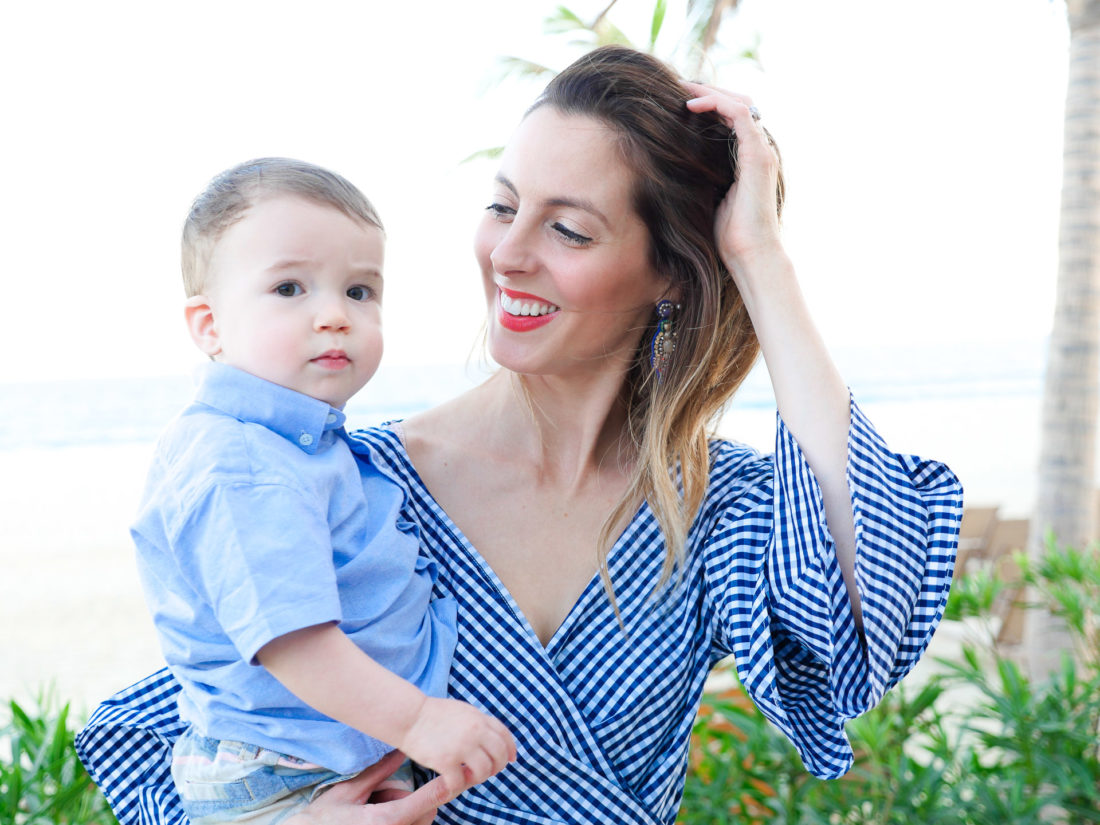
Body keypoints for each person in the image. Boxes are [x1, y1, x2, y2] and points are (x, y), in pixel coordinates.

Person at [77, 47, 962, 825]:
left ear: (672, 275)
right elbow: (178, 726)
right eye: (503, 207)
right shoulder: (361, 482)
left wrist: (758, 259)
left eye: (568, 228)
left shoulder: (710, 508)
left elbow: (867, 613)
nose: (508, 254)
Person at [126, 158, 515, 825]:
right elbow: (292, 639)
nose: (334, 315)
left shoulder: (300, 446)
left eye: (361, 291)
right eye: (289, 288)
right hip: (283, 774)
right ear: (209, 326)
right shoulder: (241, 463)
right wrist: (418, 718)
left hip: (321, 755)